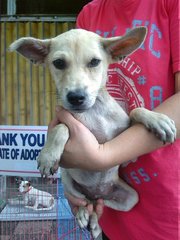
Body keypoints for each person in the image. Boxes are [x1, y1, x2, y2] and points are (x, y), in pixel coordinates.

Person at [50, 0, 180, 239]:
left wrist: (101, 156)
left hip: (168, 213)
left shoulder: (170, 5)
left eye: (93, 63)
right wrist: (77, 181)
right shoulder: (90, 13)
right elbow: (77, 112)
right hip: (108, 215)